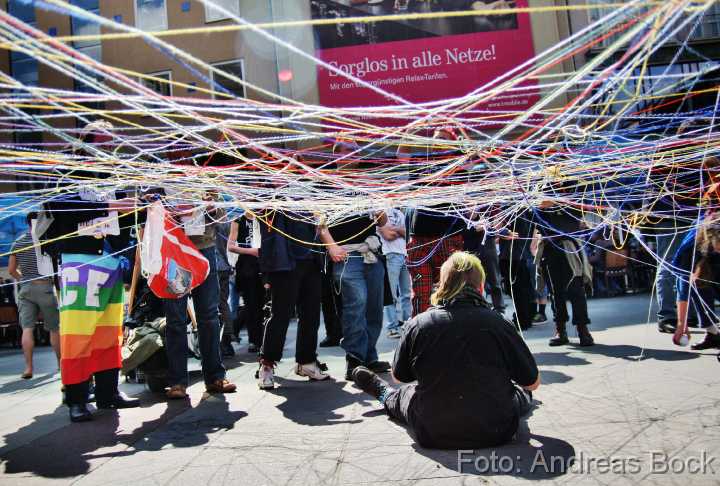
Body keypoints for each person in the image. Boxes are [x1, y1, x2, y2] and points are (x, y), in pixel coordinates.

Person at [352, 252, 539, 449]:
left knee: (404, 394)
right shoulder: (500, 323)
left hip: (433, 429)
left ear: (442, 287)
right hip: (496, 429)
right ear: (481, 287)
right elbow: (533, 382)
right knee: (518, 392)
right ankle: (517, 394)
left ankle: (384, 394)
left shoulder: (419, 324)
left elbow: (400, 377)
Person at [163, 194, 236, 399]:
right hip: (175, 252)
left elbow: (223, 217)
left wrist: (211, 208)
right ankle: (177, 381)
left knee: (209, 315)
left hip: (205, 250)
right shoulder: (161, 179)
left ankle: (215, 376)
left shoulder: (204, 181)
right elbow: (148, 211)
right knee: (176, 318)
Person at [255, 210, 329, 389]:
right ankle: (267, 364)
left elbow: (319, 220)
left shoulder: (310, 190)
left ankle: (307, 362)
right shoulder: (273, 187)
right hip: (283, 260)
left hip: (311, 258)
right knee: (280, 313)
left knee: (311, 313)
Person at [319, 211, 391, 380]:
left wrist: (381, 211)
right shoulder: (331, 188)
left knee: (374, 309)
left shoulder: (367, 189)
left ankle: (369, 357)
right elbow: (320, 223)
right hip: (347, 255)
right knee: (356, 306)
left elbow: (382, 223)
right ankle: (355, 359)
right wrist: (331, 246)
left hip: (371, 253)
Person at [535, 200, 594, 347]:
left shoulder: (571, 188)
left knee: (576, 290)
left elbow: (584, 208)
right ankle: (560, 330)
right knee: (556, 292)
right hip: (549, 247)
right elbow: (533, 217)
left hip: (570, 247)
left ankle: (582, 329)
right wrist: (539, 205)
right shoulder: (540, 190)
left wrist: (556, 202)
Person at [9, 212, 60, 379]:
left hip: (26, 289)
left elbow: (11, 270)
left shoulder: (18, 242)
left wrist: (23, 280)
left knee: (27, 329)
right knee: (54, 328)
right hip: (45, 287)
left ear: (26, 223)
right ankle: (61, 365)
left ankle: (29, 368)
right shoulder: (46, 240)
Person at [672, 221, 720, 350]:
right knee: (697, 283)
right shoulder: (692, 248)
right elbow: (683, 286)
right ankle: (713, 333)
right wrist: (682, 324)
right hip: (706, 262)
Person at [227, 213, 263, 352]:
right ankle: (254, 340)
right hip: (247, 266)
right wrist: (251, 251)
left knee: (262, 304)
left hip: (264, 264)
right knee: (251, 304)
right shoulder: (239, 220)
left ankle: (262, 338)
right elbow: (230, 246)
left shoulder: (264, 216)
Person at [377, 206, 412, 338]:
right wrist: (400, 231)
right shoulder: (381, 211)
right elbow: (387, 235)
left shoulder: (399, 212)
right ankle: (392, 327)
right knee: (391, 295)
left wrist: (395, 230)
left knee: (407, 293)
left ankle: (408, 324)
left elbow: (408, 233)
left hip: (404, 254)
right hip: (389, 254)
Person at [499, 210, 535, 330]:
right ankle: (526, 317)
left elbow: (499, 228)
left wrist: (503, 231)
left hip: (512, 257)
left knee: (516, 290)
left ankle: (522, 319)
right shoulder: (528, 211)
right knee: (523, 289)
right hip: (522, 255)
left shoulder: (510, 211)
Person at [215, 219, 235, 358]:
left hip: (213, 266)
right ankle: (227, 341)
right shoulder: (226, 221)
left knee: (214, 305)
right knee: (223, 303)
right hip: (224, 266)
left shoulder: (206, 219)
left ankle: (223, 342)